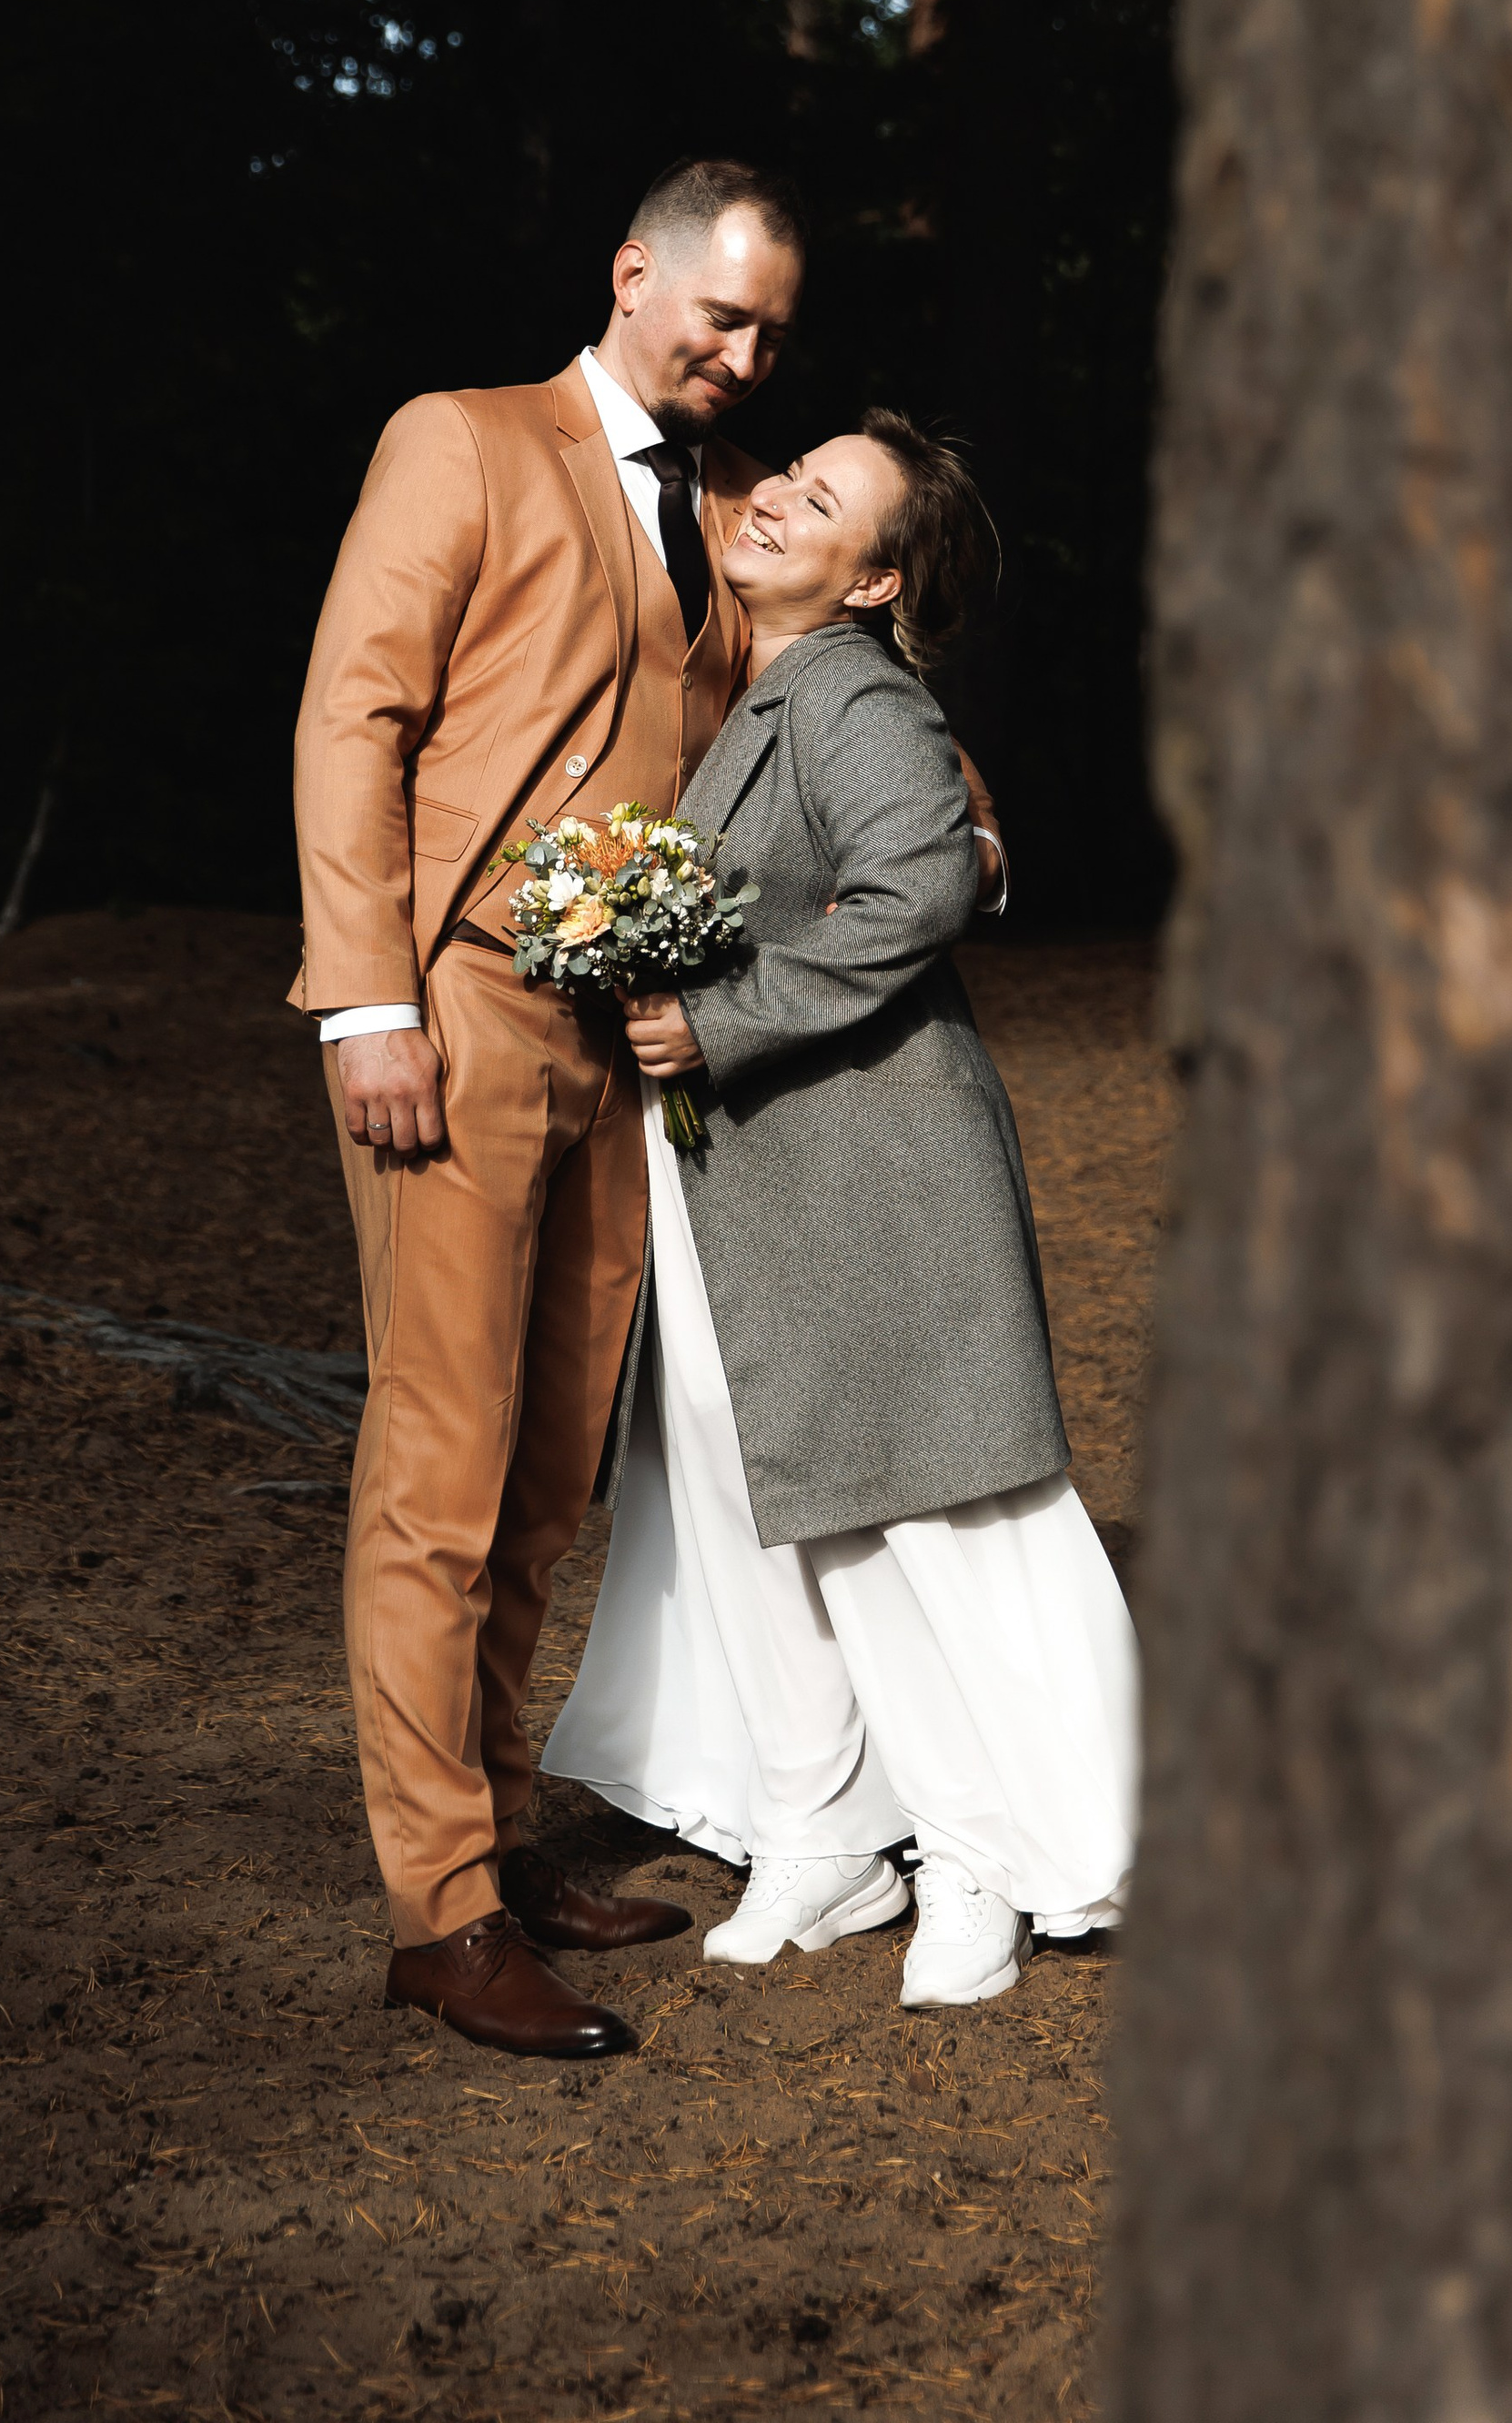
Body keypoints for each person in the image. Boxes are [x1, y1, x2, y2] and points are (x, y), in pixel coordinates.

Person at [290, 159, 1009, 2058]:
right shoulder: (459, 442)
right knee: (438, 1465)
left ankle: (501, 1836)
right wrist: (364, 998)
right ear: (634, 276)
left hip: (629, 1051)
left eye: (771, 328)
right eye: (718, 312)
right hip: (449, 1012)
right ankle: (437, 1916)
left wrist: (950, 792)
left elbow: (803, 700)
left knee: (545, 1470)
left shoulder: (722, 516)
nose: (742, 351)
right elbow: (353, 711)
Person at [541, 414, 1136, 2008]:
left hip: (876, 1162)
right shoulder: (767, 683)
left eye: (829, 504)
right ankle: (828, 1827)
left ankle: (994, 1860)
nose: (783, 496)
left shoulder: (855, 690)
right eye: (790, 472)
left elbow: (926, 885)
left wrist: (721, 1017)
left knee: (925, 1521)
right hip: (773, 1174)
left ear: (874, 579)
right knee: (784, 1509)